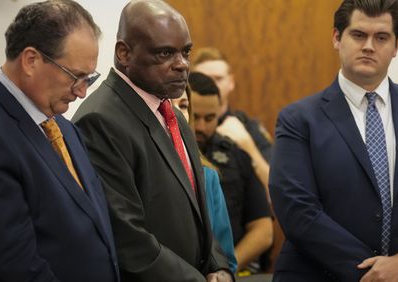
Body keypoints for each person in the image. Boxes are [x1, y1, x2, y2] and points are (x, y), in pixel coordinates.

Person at [0, 1, 119, 281]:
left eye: (88, 79)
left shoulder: (62, 128)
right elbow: (10, 268)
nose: (81, 92)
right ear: (31, 60)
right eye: (75, 77)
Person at [72, 1, 233, 281]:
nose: (182, 64)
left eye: (185, 52)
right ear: (124, 53)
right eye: (165, 53)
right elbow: (128, 238)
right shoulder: (100, 121)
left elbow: (196, 208)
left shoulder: (172, 113)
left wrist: (218, 267)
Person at [270, 0, 398, 281]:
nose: (369, 45)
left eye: (381, 37)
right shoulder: (298, 119)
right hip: (319, 274)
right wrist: (374, 273)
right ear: (336, 38)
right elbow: (296, 208)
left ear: (396, 46)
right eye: (358, 35)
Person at [189, 72, 273, 273]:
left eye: (210, 118)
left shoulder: (236, 155)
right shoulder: (163, 154)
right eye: (195, 117)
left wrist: (225, 269)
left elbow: (263, 231)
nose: (201, 126)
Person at [172, 86, 238, 274]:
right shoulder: (142, 168)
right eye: (167, 104)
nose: (177, 113)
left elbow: (227, 258)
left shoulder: (208, 176)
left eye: (183, 106)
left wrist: (222, 274)